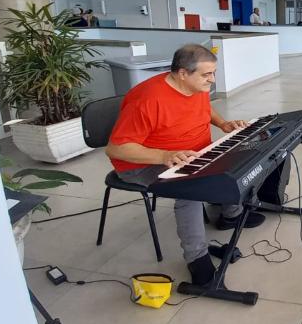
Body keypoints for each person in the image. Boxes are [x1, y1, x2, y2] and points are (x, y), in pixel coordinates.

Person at [105, 44, 267, 286]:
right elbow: (116, 148)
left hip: (193, 152)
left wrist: (222, 124)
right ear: (182, 73)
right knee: (191, 188)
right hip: (141, 164)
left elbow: (204, 107)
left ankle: (230, 215)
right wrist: (164, 156)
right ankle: (197, 258)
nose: (212, 80)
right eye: (207, 75)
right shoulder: (148, 99)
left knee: (235, 157)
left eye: (213, 73)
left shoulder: (196, 86)